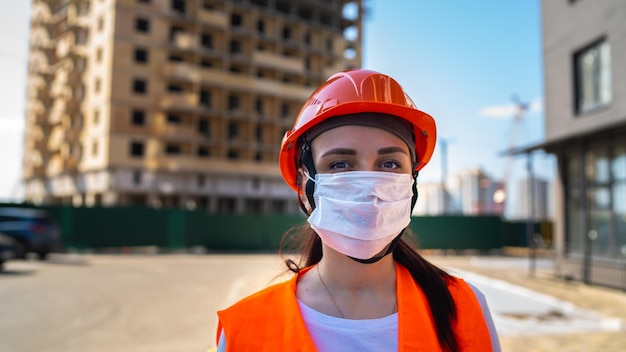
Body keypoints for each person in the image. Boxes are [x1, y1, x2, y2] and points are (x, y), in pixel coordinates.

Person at [215, 69, 501, 351]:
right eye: (340, 164)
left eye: (390, 164)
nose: (371, 188)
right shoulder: (244, 332)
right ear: (305, 186)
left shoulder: (465, 310)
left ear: (411, 182)